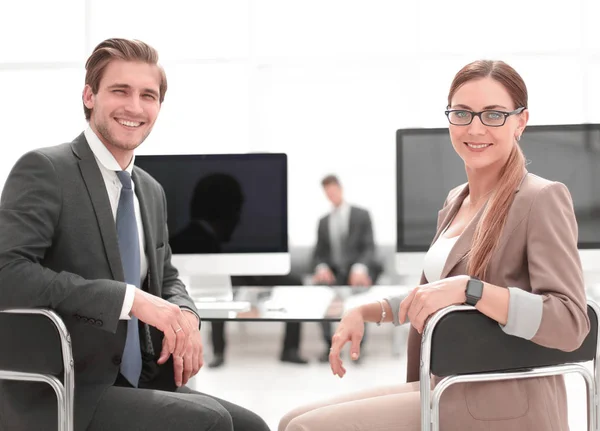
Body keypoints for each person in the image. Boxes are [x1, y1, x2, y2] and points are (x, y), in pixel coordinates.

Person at [279, 60, 590, 431]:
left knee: (304, 429)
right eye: (462, 113)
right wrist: (367, 311)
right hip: (444, 383)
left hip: (499, 399)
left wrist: (470, 290)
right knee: (290, 420)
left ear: (520, 122)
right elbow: (433, 294)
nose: (475, 128)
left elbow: (570, 322)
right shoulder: (456, 200)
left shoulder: (541, 197)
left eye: (493, 114)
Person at [0, 38, 269, 431]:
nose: (135, 107)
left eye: (149, 95)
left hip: (139, 378)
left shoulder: (149, 189)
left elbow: (168, 276)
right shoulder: (46, 169)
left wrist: (187, 316)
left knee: (253, 426)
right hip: (66, 387)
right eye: (120, 91)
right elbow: (7, 273)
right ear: (89, 96)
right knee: (209, 423)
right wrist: (131, 300)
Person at [311, 174, 381, 363]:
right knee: (320, 294)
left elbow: (369, 247)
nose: (331, 195)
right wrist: (321, 267)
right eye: (327, 193)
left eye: (333, 191)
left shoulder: (361, 215)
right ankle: (329, 345)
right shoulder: (323, 221)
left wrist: (360, 267)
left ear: (340, 189)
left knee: (361, 295)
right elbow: (319, 252)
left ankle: (358, 348)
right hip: (335, 272)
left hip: (357, 271)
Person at [209, 273, 310, 368]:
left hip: (268, 272)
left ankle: (290, 350)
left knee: (295, 284)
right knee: (219, 289)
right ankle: (218, 352)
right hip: (239, 272)